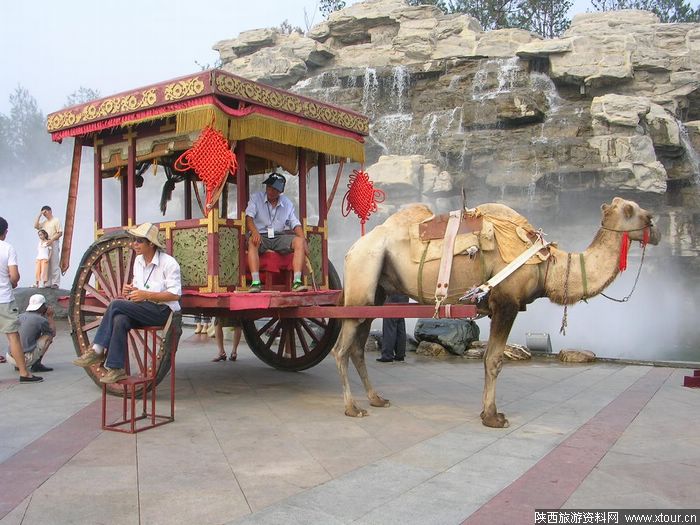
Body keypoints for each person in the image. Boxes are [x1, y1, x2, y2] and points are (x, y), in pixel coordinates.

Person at [72, 222, 182, 383]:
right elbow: (139, 287)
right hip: (144, 308)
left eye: (139, 241)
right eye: (134, 240)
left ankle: (97, 349)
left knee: (116, 304)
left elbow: (175, 295)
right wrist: (130, 290)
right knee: (120, 319)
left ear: (151, 244)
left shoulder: (169, 263)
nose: (134, 244)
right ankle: (116, 368)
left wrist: (145, 294)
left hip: (163, 311)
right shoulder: (138, 261)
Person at [245, 172, 307, 293]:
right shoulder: (256, 198)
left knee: (299, 242)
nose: (270, 190)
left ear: (280, 191)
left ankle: (297, 282)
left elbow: (295, 224)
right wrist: (254, 232)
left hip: (278, 236)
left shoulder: (287, 203)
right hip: (261, 235)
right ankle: (255, 282)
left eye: (274, 189)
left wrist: (304, 240)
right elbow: (249, 218)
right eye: (268, 187)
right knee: (252, 241)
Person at [0, 216, 43, 383]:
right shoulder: (7, 248)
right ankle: (24, 373)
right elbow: (15, 276)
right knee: (13, 337)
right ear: (5, 232)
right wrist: (12, 282)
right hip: (4, 299)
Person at [6, 293, 55, 373]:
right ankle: (36, 365)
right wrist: (50, 317)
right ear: (42, 307)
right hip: (26, 359)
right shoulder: (41, 320)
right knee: (48, 336)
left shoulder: (19, 316)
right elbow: (53, 333)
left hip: (10, 356)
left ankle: (18, 366)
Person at [33, 206, 63, 289]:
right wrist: (39, 215)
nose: (44, 214)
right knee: (46, 263)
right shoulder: (45, 222)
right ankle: (47, 282)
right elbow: (36, 226)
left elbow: (60, 233)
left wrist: (51, 240)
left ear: (50, 211)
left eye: (45, 212)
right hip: (45, 243)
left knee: (54, 262)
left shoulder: (56, 220)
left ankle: (55, 282)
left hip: (53, 241)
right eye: (43, 212)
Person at [377, 293, 410, 362]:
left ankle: (387, 356)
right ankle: (400, 355)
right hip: (404, 297)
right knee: (400, 326)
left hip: (393, 297)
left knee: (389, 327)